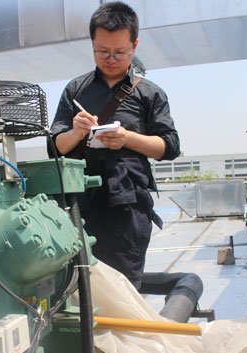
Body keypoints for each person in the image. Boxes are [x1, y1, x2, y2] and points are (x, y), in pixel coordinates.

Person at [48, 1, 180, 289]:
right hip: (79, 204)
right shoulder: (76, 90)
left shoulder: (149, 93)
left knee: (124, 286)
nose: (110, 59)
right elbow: (55, 147)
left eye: (120, 52)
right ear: (92, 44)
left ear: (135, 44)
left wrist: (127, 138)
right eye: (102, 51)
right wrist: (76, 132)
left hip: (127, 207)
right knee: (78, 286)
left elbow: (170, 146)